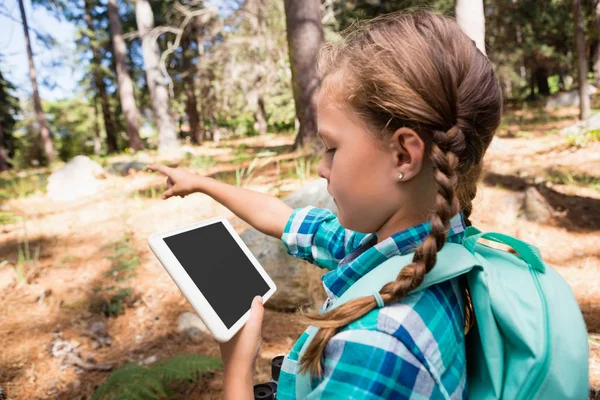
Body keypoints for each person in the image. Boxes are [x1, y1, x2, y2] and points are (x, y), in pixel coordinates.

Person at [148, 10, 502, 399]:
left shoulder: (378, 346)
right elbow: (281, 218)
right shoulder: (413, 245)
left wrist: (236, 366)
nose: (322, 167)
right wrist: (203, 184)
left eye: (333, 148)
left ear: (404, 156)